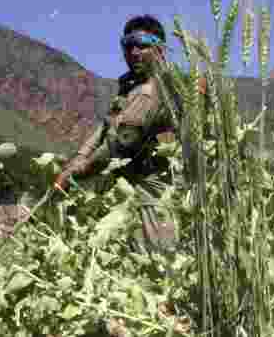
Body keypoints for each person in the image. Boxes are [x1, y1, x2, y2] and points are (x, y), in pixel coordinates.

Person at [55, 14, 201, 256]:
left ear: (160, 50)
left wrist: (72, 174)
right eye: (128, 46)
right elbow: (104, 127)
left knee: (159, 267)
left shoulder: (152, 91)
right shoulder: (131, 88)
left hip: (155, 200)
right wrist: (77, 159)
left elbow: (117, 145)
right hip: (133, 199)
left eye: (142, 46)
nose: (134, 52)